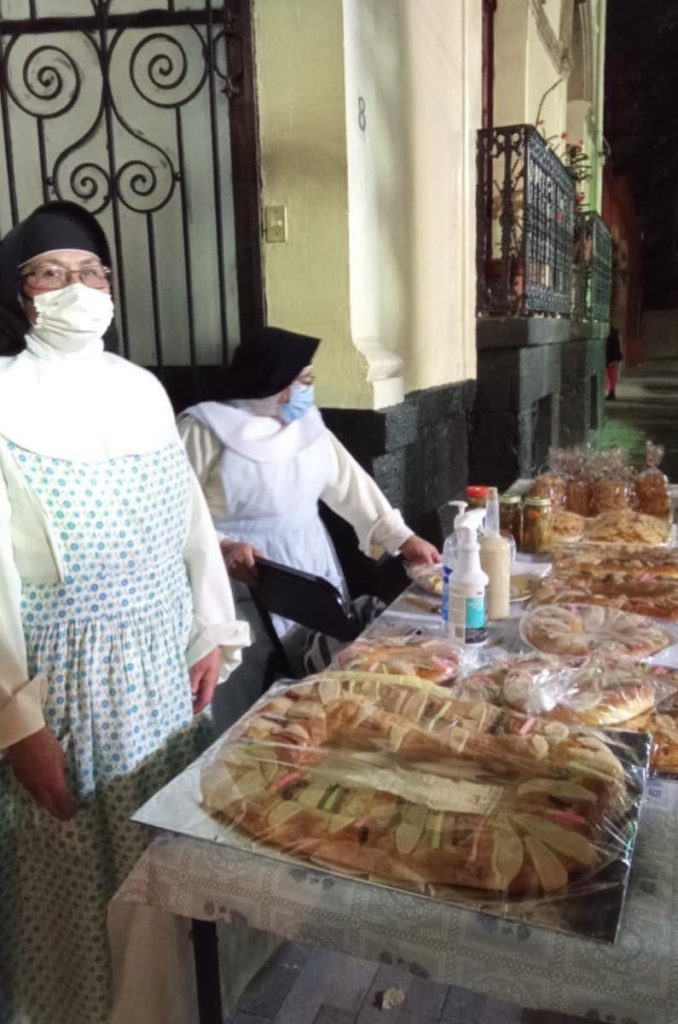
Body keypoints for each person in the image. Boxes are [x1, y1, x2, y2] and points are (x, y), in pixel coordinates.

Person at [0, 201, 249, 1024]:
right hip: (65, 693)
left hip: (159, 677)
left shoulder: (142, 390)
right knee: (79, 887)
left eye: (92, 270)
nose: (78, 286)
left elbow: (190, 524)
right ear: (19, 290)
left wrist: (207, 631)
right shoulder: (4, 398)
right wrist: (18, 725)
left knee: (163, 879)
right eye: (52, 272)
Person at [178, 326, 440, 725]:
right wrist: (222, 545)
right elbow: (173, 510)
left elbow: (351, 487)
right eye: (303, 379)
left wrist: (402, 539)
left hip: (310, 567)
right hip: (240, 575)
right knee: (249, 685)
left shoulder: (309, 428)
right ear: (274, 381)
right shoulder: (203, 429)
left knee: (317, 673)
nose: (308, 388)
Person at [605, 325, 623, 400]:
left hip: (611, 359)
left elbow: (612, 348)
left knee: (610, 376)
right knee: (612, 376)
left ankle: (611, 392)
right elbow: (618, 347)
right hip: (614, 358)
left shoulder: (610, 335)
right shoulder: (615, 333)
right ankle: (611, 392)